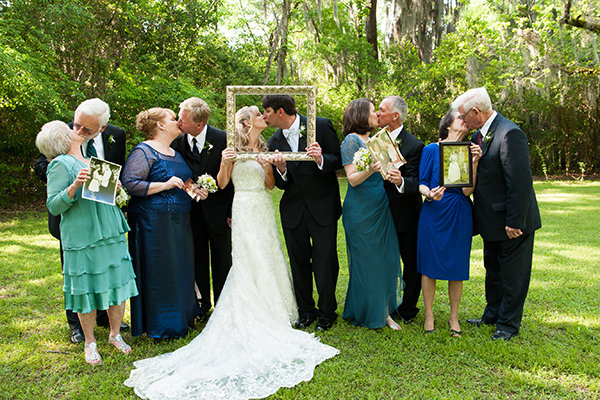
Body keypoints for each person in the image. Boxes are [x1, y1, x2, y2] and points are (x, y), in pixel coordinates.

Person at [124, 106, 338, 399]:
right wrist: (225, 164)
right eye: (260, 116)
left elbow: (272, 185)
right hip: (242, 208)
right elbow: (223, 184)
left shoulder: (267, 146)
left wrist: (267, 166)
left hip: (262, 207)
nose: (266, 118)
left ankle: (274, 308)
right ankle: (245, 308)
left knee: (267, 258)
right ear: (248, 122)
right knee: (245, 260)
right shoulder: (230, 148)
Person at [36, 120, 138, 366]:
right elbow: (53, 205)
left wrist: (115, 190)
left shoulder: (90, 160)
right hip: (83, 234)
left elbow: (102, 197)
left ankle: (115, 334)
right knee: (85, 287)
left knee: (116, 282)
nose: (77, 131)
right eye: (71, 130)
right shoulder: (59, 164)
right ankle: (90, 341)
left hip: (110, 229)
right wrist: (73, 187)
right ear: (62, 140)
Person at [452, 87, 542, 340]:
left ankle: (508, 324)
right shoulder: (480, 135)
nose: (462, 121)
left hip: (511, 222)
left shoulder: (509, 133)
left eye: (463, 116)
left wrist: (514, 221)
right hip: (491, 220)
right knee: (493, 271)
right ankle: (491, 314)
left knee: (513, 275)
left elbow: (520, 182)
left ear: (476, 112)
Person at [263, 94, 342, 331]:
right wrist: (282, 169)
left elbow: (337, 160)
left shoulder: (321, 125)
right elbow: (281, 183)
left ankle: (327, 312)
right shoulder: (273, 141)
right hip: (293, 211)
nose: (263, 116)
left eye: (266, 111)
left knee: (325, 262)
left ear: (279, 111)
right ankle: (306, 311)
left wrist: (320, 159)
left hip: (323, 208)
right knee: (298, 263)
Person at [122, 108, 200, 338]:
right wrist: (164, 185)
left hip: (179, 221)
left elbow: (183, 183)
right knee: (161, 272)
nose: (178, 121)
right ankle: (163, 323)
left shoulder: (174, 152)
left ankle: (183, 317)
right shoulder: (143, 151)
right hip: (153, 224)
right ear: (161, 126)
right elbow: (131, 183)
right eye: (172, 118)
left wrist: (196, 191)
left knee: (180, 267)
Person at [417, 110, 482, 336]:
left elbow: (467, 190)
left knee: (457, 266)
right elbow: (421, 183)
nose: (464, 120)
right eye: (459, 118)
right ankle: (429, 315)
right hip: (434, 210)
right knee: (429, 266)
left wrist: (474, 163)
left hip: (459, 212)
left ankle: (454, 317)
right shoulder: (430, 149)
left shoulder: (468, 150)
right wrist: (428, 193)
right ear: (447, 125)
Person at [340, 99, 403, 330]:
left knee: (384, 258)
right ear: (360, 115)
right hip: (360, 210)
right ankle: (376, 312)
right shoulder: (351, 141)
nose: (377, 113)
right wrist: (370, 168)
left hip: (380, 205)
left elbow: (387, 172)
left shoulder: (378, 139)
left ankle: (384, 309)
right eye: (372, 110)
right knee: (367, 261)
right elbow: (353, 179)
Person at [171, 97, 234, 321]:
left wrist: (231, 213)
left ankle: (224, 306)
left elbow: (233, 179)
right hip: (190, 213)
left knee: (222, 261)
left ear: (199, 125)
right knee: (196, 259)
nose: (178, 122)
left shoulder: (223, 139)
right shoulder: (176, 141)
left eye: (182, 119)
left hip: (219, 213)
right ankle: (202, 305)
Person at [377, 96, 425, 323]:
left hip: (406, 213)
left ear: (395, 115)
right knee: (383, 260)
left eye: (382, 110)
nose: (377, 113)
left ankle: (407, 308)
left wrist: (401, 181)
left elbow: (417, 181)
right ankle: (383, 304)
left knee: (411, 262)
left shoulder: (414, 145)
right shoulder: (374, 140)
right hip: (378, 211)